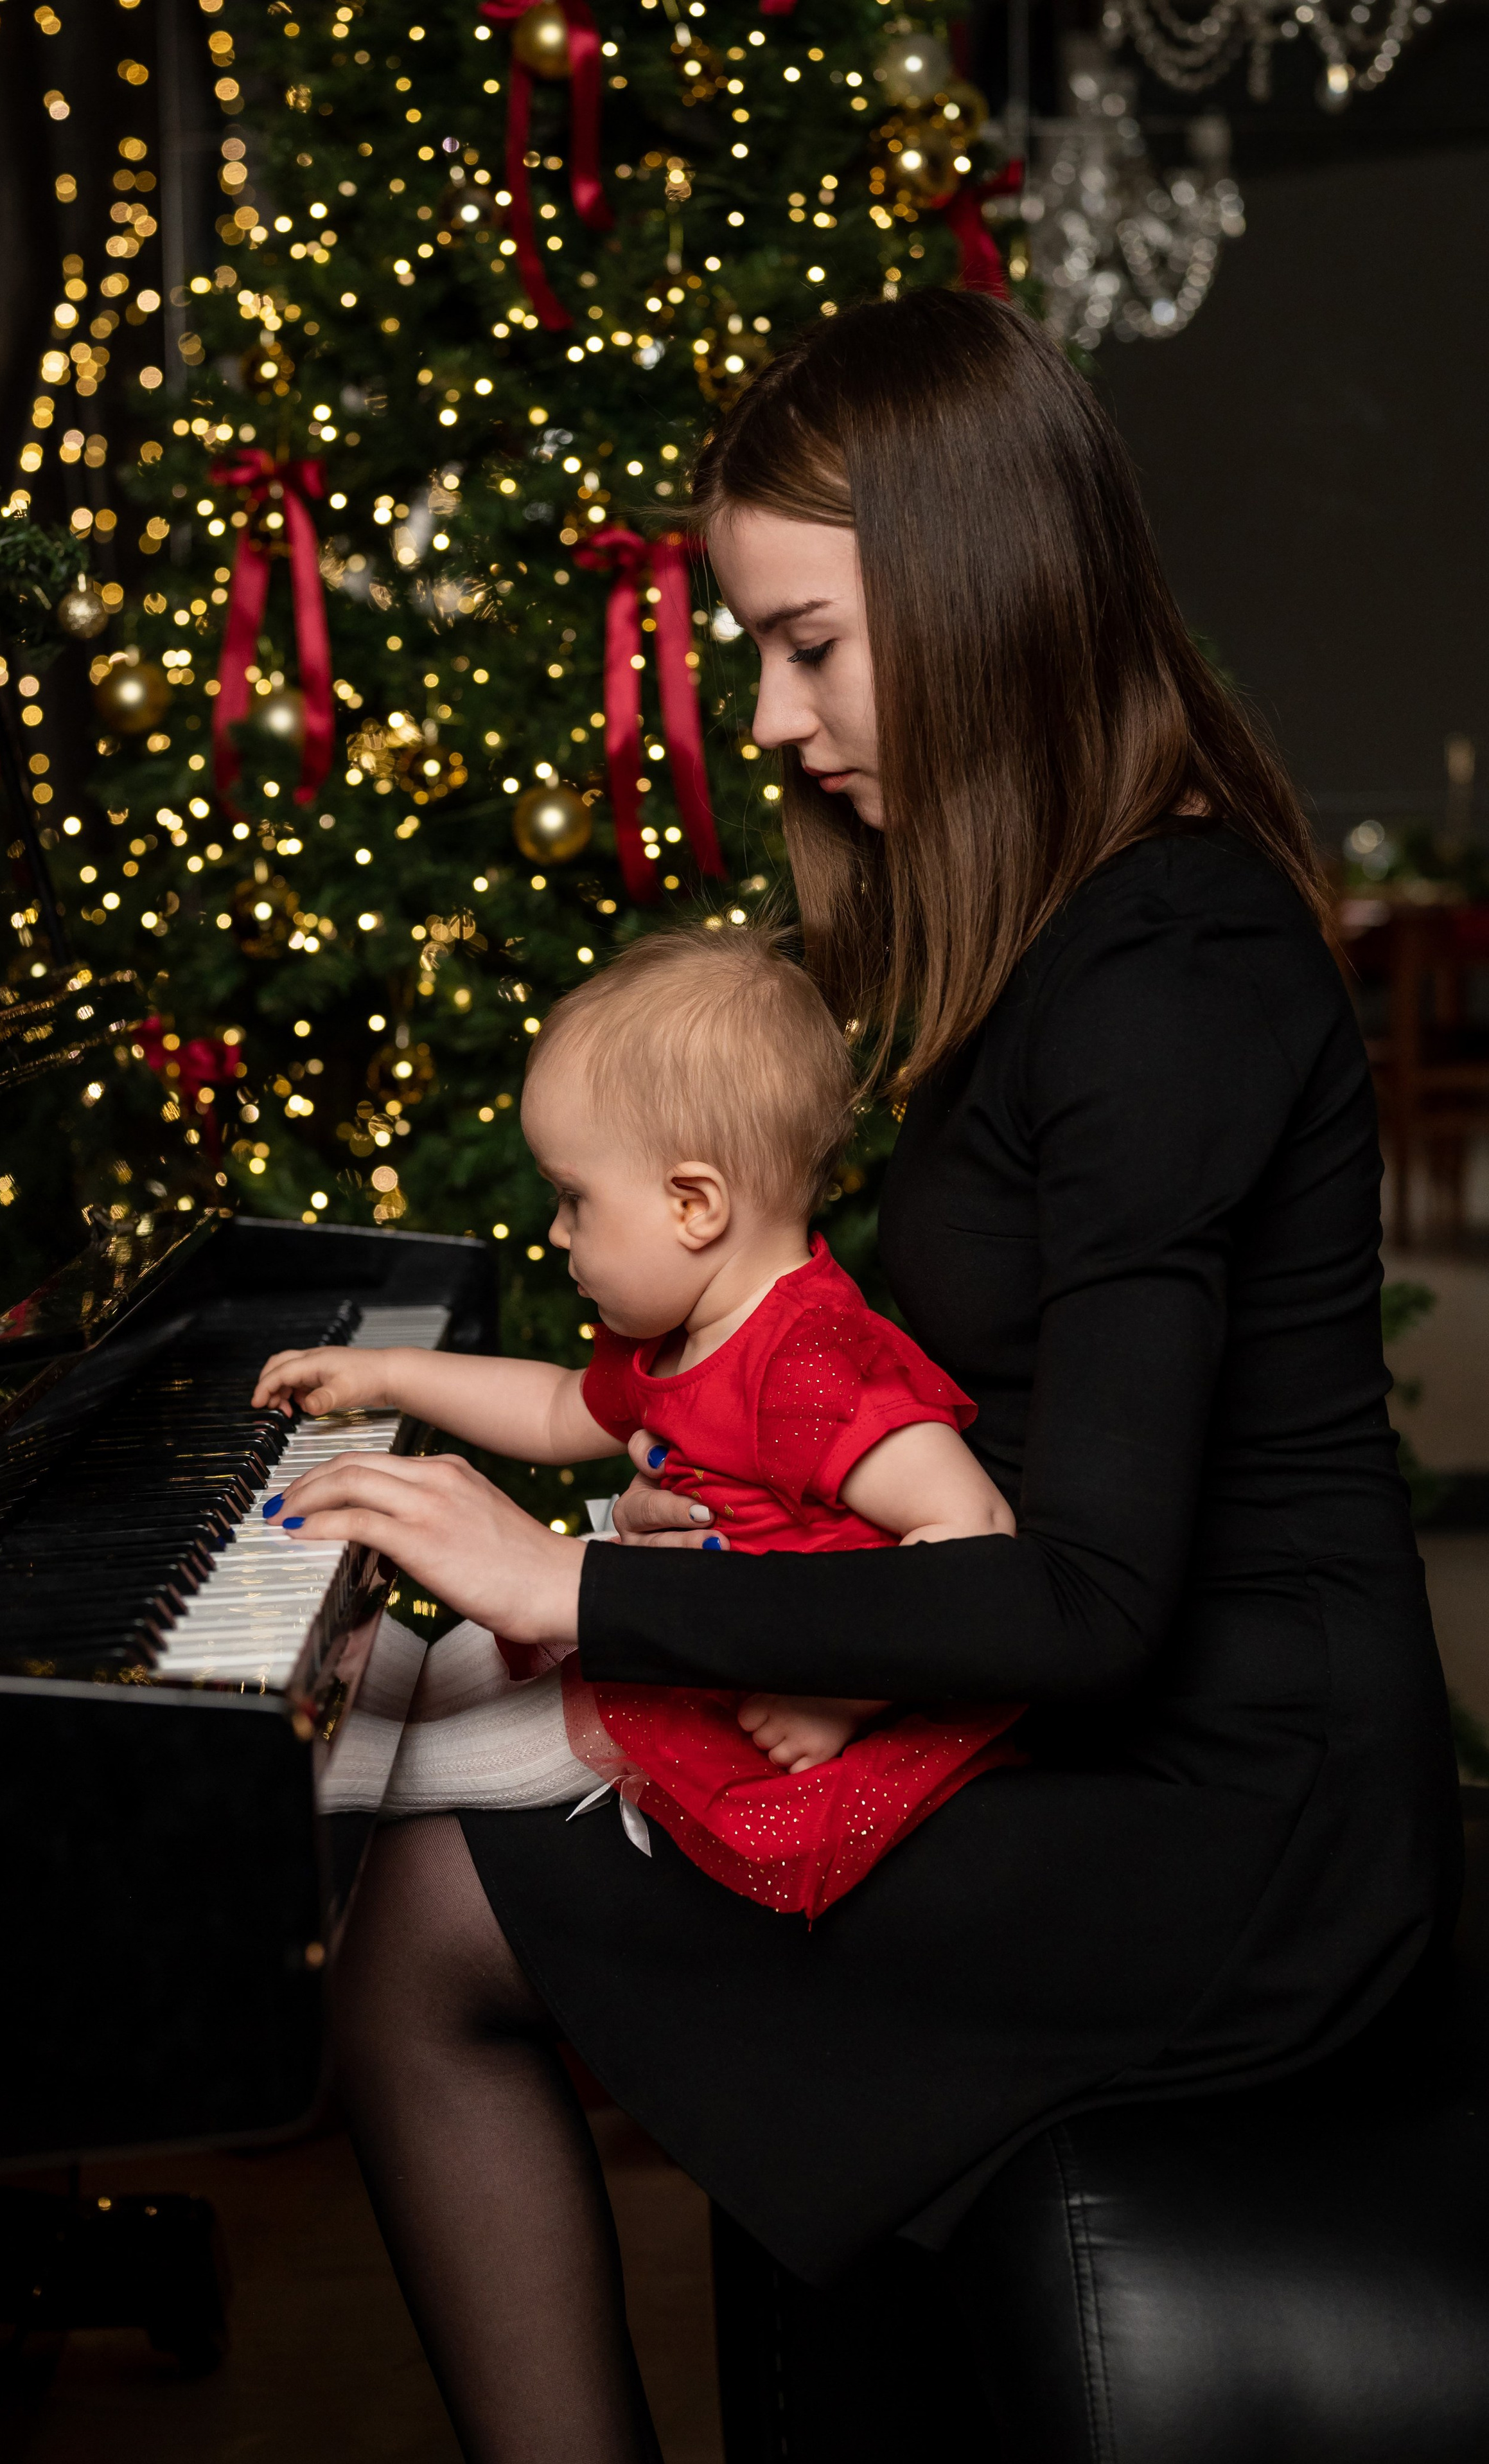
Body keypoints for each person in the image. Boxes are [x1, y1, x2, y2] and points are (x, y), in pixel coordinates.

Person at [274, 289, 1458, 2464]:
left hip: (1234, 1827)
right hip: (1119, 1740)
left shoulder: (1165, 965)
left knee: (432, 1926)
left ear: (980, 583)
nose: (774, 710)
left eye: (808, 640)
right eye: (757, 647)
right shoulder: (1052, 930)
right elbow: (961, 1434)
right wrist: (722, 1527)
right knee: (503, 1865)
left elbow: (1093, 1601)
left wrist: (583, 1593)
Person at [255, 928, 1021, 1919]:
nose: (556, 1232)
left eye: (573, 1198)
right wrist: (387, 1373)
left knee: (354, 1771)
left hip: (725, 1702)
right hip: (655, 1638)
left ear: (693, 1204)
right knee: (403, 1675)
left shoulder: (810, 1366)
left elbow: (975, 1536)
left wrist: (842, 1695)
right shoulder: (679, 1334)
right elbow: (549, 1405)